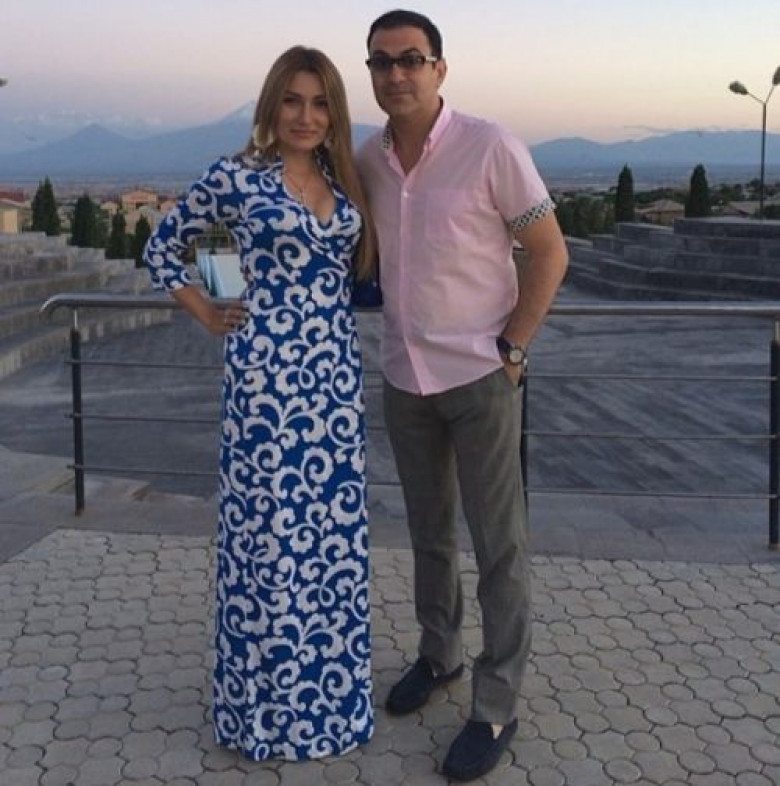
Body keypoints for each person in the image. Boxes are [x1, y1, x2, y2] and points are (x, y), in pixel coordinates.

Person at [144, 46, 376, 761]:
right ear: (272, 104)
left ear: (335, 112)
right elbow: (164, 248)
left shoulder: (342, 178)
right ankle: (267, 715)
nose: (306, 116)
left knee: (331, 542)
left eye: (321, 102)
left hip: (334, 385)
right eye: (293, 100)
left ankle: (333, 707)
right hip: (268, 387)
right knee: (271, 542)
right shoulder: (237, 175)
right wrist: (213, 309)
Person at [356, 10, 569, 782]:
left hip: (481, 378)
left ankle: (497, 702)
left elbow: (549, 251)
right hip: (403, 378)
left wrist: (512, 349)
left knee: (498, 544)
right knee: (429, 534)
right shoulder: (368, 159)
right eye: (381, 62)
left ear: (440, 68)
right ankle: (439, 653)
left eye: (411, 59)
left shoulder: (491, 145)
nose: (396, 74)